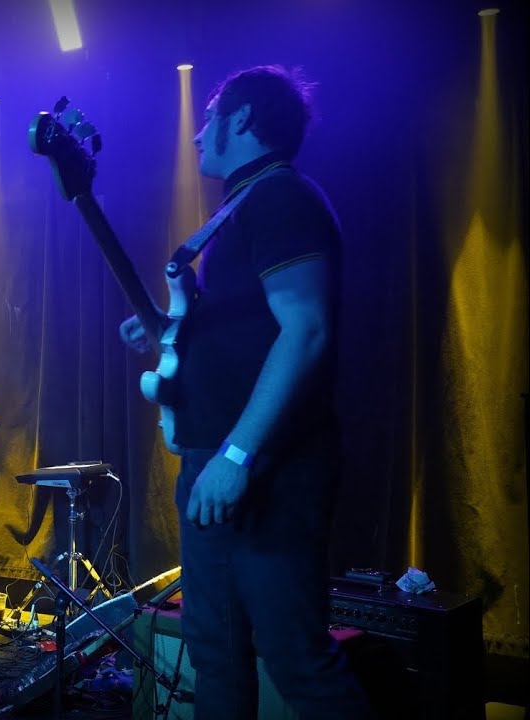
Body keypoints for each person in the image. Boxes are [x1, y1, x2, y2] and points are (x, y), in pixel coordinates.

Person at [119, 66, 372, 718]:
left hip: (266, 467)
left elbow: (306, 329)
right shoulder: (242, 207)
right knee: (215, 653)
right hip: (218, 462)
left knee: (296, 659)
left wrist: (237, 455)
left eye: (210, 117)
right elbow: (248, 334)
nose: (198, 133)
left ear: (243, 119)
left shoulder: (282, 196)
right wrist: (173, 327)